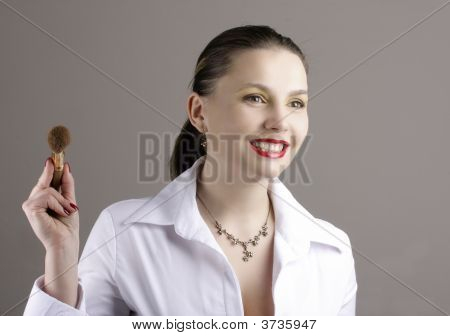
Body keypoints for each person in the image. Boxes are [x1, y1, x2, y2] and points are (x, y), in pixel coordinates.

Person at [22, 25, 357, 316]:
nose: (280, 122)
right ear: (199, 112)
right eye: (255, 98)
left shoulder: (333, 250)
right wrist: (61, 257)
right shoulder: (123, 234)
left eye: (296, 103)